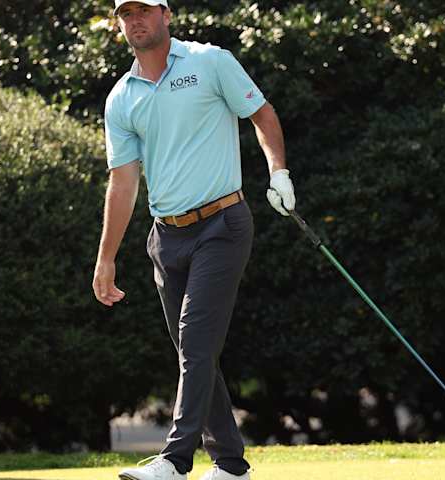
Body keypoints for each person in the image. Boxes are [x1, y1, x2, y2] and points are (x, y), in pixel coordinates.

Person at [92, 1, 296, 479]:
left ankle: (175, 460)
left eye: (143, 10)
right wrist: (106, 258)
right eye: (125, 14)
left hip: (222, 225)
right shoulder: (122, 96)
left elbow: (262, 114)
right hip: (166, 238)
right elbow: (122, 183)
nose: (135, 21)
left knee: (196, 341)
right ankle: (230, 466)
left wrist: (279, 174)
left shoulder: (211, 62)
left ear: (165, 14)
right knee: (194, 349)